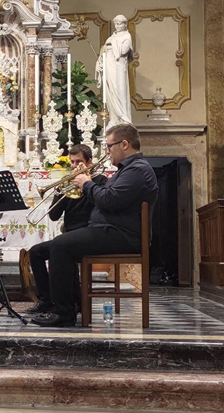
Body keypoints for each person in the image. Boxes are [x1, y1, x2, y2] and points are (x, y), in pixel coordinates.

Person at [32, 124, 158, 327]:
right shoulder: (125, 171)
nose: (107, 152)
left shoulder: (138, 170)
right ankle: (64, 305)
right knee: (52, 246)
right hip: (108, 231)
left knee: (60, 245)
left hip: (121, 235)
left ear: (124, 144)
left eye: (109, 146)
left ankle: (64, 313)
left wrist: (86, 183)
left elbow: (109, 200)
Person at [26, 144, 107, 315]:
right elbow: (54, 216)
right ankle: (47, 300)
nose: (75, 166)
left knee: (62, 251)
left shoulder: (100, 182)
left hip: (90, 234)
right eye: (72, 162)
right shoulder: (68, 184)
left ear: (89, 162)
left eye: (79, 162)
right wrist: (58, 191)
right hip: (69, 235)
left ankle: (73, 302)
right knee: (35, 252)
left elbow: (102, 205)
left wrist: (87, 183)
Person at [95, 15, 134, 128]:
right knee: (110, 91)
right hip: (109, 67)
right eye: (116, 24)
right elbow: (104, 53)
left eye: (119, 24)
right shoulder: (110, 38)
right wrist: (100, 62)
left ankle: (123, 119)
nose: (117, 26)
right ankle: (113, 119)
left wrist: (113, 44)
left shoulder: (127, 36)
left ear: (124, 24)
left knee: (120, 91)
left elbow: (123, 50)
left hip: (119, 68)